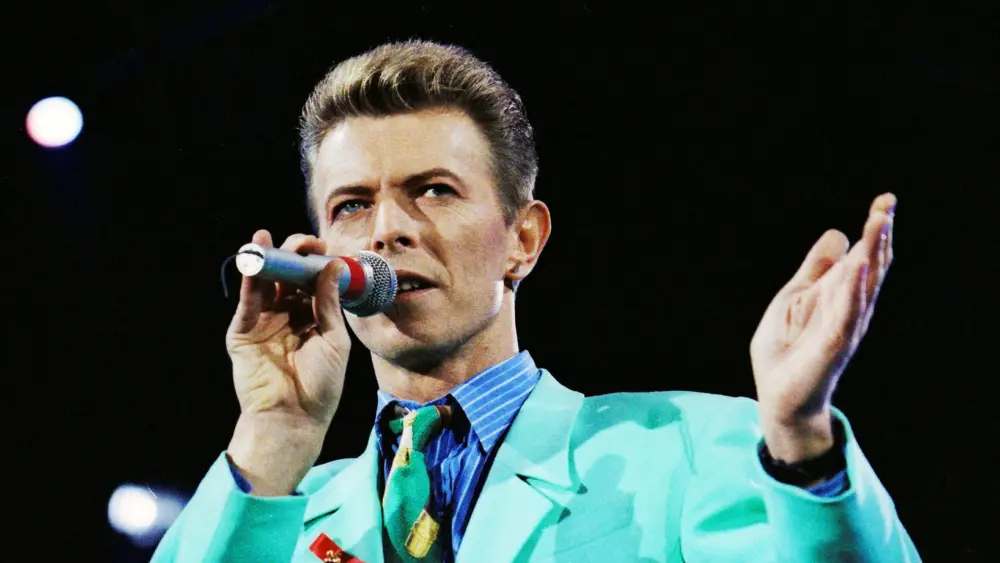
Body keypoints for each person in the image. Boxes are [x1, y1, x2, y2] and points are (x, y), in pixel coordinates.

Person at [152, 40, 919, 562]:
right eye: (352, 205)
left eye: (433, 191)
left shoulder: (700, 447)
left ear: (523, 238)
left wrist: (802, 439)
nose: (387, 229)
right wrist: (276, 433)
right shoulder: (275, 507)